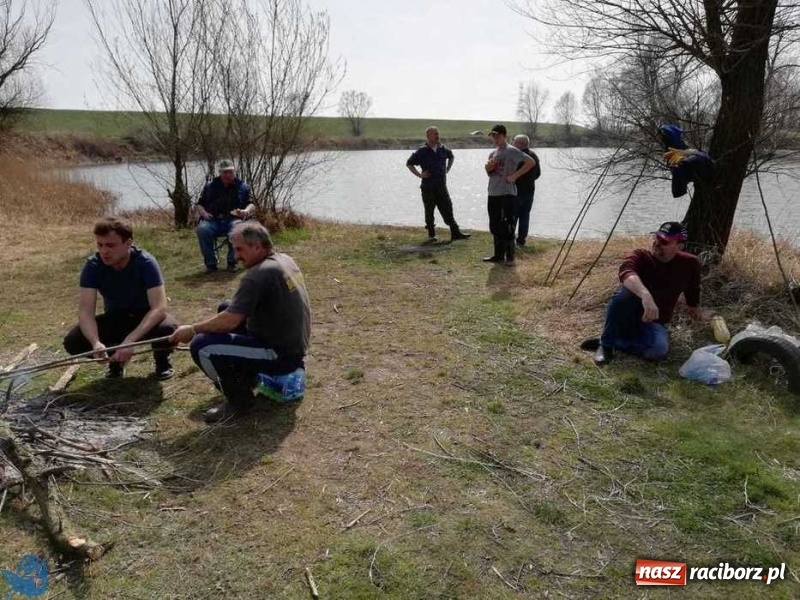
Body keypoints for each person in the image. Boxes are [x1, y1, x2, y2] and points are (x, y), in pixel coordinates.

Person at [169, 222, 311, 423]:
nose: (235, 257)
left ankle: (239, 400)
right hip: (294, 347)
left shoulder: (257, 275)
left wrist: (191, 329)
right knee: (225, 306)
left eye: (239, 249)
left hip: (281, 355)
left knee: (202, 345)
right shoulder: (284, 259)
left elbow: (229, 322)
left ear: (257, 246)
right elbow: (231, 312)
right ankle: (247, 379)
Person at [63, 217, 178, 380]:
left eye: (110, 245)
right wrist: (95, 342)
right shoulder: (93, 266)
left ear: (128, 243)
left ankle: (162, 361)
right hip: (116, 317)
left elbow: (159, 308)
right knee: (73, 341)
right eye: (100, 245)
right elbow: (86, 312)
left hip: (145, 317)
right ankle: (115, 361)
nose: (104, 251)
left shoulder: (145, 262)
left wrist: (130, 341)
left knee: (169, 329)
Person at [580, 222, 709, 365]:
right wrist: (645, 295)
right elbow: (626, 272)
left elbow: (693, 295)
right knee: (624, 294)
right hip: (625, 315)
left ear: (679, 246)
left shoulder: (690, 264)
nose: (657, 243)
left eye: (664, 241)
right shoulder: (641, 255)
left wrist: (700, 317)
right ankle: (606, 345)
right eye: (656, 237)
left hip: (653, 320)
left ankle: (616, 341)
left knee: (658, 350)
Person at [406, 126, 471, 243]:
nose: (437, 135)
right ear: (428, 136)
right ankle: (431, 235)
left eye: (438, 133)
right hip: (428, 187)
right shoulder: (421, 151)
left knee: (448, 208)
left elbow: (451, 157)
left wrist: (448, 168)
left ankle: (455, 233)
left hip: (441, 186)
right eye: (434, 134)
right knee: (429, 211)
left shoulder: (442, 148)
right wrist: (420, 175)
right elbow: (409, 164)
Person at [483, 124, 536, 266]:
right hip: (493, 193)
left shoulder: (511, 151)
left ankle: (510, 257)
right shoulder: (492, 153)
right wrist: (488, 168)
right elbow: (490, 174)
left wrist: (515, 175)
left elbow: (531, 162)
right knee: (494, 225)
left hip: (507, 193)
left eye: (497, 135)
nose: (495, 138)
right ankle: (498, 255)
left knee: (507, 225)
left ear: (504, 136)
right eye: (493, 136)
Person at [195, 159, 255, 274]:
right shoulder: (210, 186)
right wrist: (204, 213)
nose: (228, 175)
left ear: (234, 172)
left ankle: (232, 262)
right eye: (225, 172)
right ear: (220, 173)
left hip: (234, 220)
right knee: (202, 229)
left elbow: (251, 204)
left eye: (230, 172)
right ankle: (211, 264)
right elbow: (199, 205)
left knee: (237, 228)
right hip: (214, 220)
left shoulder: (242, 186)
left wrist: (246, 210)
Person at [512, 134, 540, 248]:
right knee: (525, 216)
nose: (513, 144)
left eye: (514, 142)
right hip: (530, 191)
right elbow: (538, 174)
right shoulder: (534, 155)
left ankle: (510, 240)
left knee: (513, 216)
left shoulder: (519, 156)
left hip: (517, 191)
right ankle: (521, 241)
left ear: (520, 144)